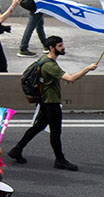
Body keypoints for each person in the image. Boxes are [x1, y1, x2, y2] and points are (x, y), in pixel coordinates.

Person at [10, 35, 98, 170]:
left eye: (62, 45)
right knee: (55, 132)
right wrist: (87, 69)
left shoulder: (43, 59)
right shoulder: (50, 66)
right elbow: (71, 78)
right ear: (52, 48)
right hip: (51, 103)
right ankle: (60, 160)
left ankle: (17, 149)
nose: (63, 48)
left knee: (38, 127)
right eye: (60, 46)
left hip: (45, 101)